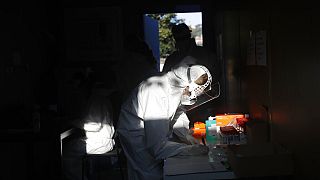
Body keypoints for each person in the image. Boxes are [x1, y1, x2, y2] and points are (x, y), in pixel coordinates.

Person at [117, 57, 219, 180]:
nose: (190, 97)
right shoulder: (156, 91)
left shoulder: (176, 88)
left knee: (158, 169)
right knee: (149, 173)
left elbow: (177, 113)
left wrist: (187, 136)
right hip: (135, 134)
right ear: (187, 84)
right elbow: (157, 147)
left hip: (149, 132)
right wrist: (189, 150)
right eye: (190, 94)